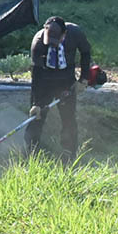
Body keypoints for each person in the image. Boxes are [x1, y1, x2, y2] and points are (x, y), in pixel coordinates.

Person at [26, 16, 92, 164]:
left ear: (64, 34)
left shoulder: (75, 33)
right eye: (50, 42)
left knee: (69, 120)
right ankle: (32, 157)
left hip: (66, 82)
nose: (52, 45)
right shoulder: (38, 42)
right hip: (44, 83)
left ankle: (69, 157)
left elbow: (86, 53)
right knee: (36, 119)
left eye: (57, 41)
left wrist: (83, 79)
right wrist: (36, 103)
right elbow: (36, 74)